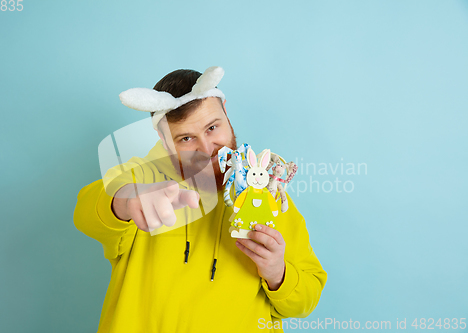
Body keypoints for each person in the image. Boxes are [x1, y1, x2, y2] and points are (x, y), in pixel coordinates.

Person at [73, 66, 327, 333]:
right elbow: (85, 212)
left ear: (226, 111)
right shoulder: (140, 177)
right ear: (163, 138)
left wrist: (278, 274)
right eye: (186, 138)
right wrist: (126, 201)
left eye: (212, 127)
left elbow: (306, 300)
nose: (207, 150)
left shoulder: (268, 194)